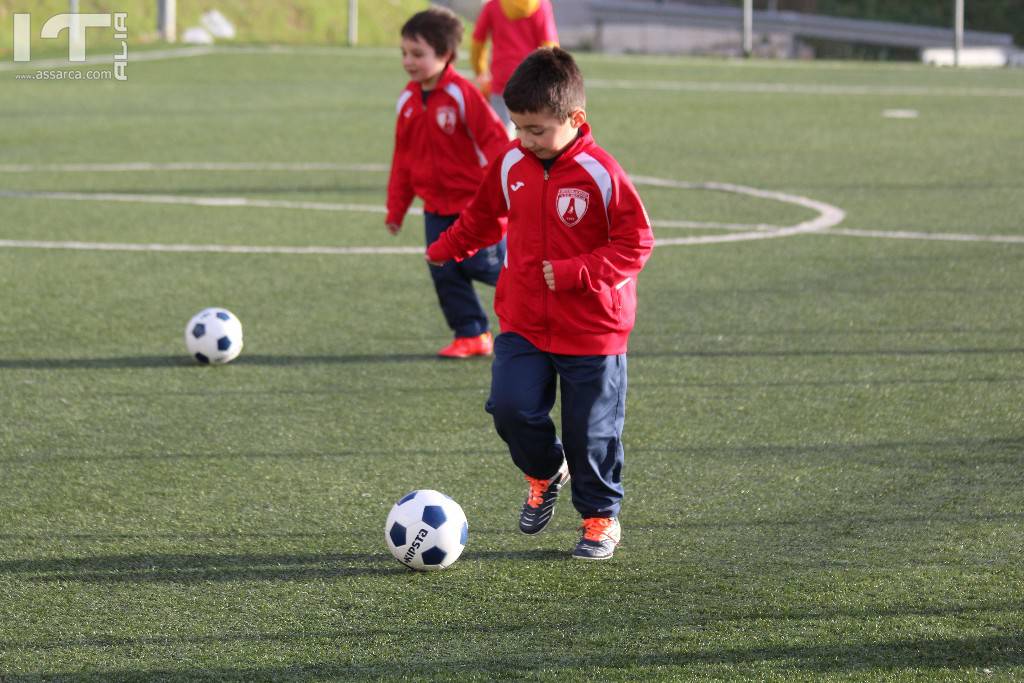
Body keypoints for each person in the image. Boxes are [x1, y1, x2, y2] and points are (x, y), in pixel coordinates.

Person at [426, 48, 654, 560]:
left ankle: (599, 518)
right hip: (524, 319)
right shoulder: (512, 162)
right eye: (518, 128)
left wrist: (579, 273)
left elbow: (636, 242)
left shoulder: (601, 172)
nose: (524, 140)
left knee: (590, 433)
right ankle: (545, 470)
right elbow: (484, 216)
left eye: (536, 131)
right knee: (510, 409)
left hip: (592, 328)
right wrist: (447, 248)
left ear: (575, 120)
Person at [387, 7, 512, 358]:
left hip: (475, 207)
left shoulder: (462, 95)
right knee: (442, 269)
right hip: (435, 209)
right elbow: (403, 159)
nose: (408, 62)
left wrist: (502, 190)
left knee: (486, 266)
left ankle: (544, 307)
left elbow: (496, 142)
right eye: (404, 53)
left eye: (417, 54)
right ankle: (472, 333)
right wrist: (396, 208)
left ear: (445, 55)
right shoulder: (407, 101)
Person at [470, 0, 559, 134]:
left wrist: (480, 70)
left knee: (501, 134)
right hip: (532, 78)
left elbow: (478, 41)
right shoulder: (541, 5)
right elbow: (549, 44)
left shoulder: (493, 5)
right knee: (534, 134)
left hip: (501, 79)